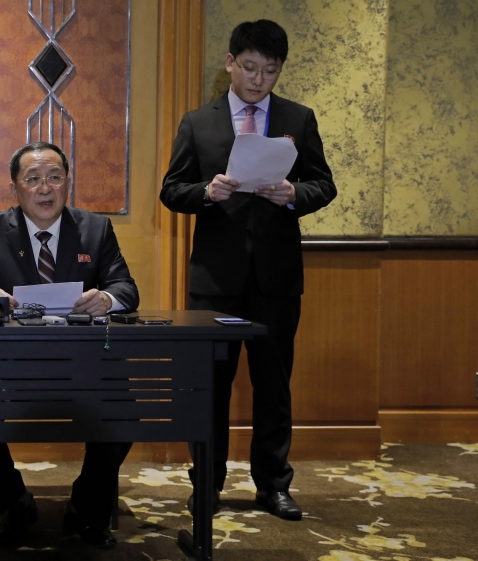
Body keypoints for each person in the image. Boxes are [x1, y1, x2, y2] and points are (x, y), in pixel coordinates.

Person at [159, 20, 336, 521]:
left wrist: (293, 195)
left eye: (270, 71)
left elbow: (324, 184)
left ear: (280, 71)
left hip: (277, 278)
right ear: (231, 62)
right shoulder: (199, 122)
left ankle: (274, 485)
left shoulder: (299, 119)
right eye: (251, 68)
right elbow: (171, 190)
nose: (259, 80)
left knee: (274, 384)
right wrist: (206, 194)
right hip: (216, 280)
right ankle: (207, 484)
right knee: (210, 385)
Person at [0, 142, 139, 549]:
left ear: (67, 183)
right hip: (8, 365)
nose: (44, 188)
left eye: (54, 177)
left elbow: (127, 288)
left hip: (83, 364)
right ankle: (11, 504)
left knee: (123, 408)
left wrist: (106, 299)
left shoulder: (95, 228)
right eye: (32, 179)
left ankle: (88, 509)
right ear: (16, 188)